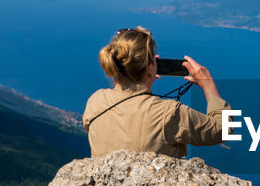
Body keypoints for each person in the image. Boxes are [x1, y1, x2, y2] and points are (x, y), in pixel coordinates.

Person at [83, 26, 229, 158]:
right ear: (150, 66)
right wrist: (208, 85)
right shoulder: (168, 113)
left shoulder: (96, 101)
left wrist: (145, 78)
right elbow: (223, 131)